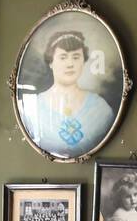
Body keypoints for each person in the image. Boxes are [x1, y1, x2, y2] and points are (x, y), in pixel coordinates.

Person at [21, 30, 115, 158]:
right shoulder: (34, 107)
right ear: (50, 62)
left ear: (83, 61)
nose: (70, 64)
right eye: (63, 57)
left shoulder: (100, 109)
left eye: (76, 57)